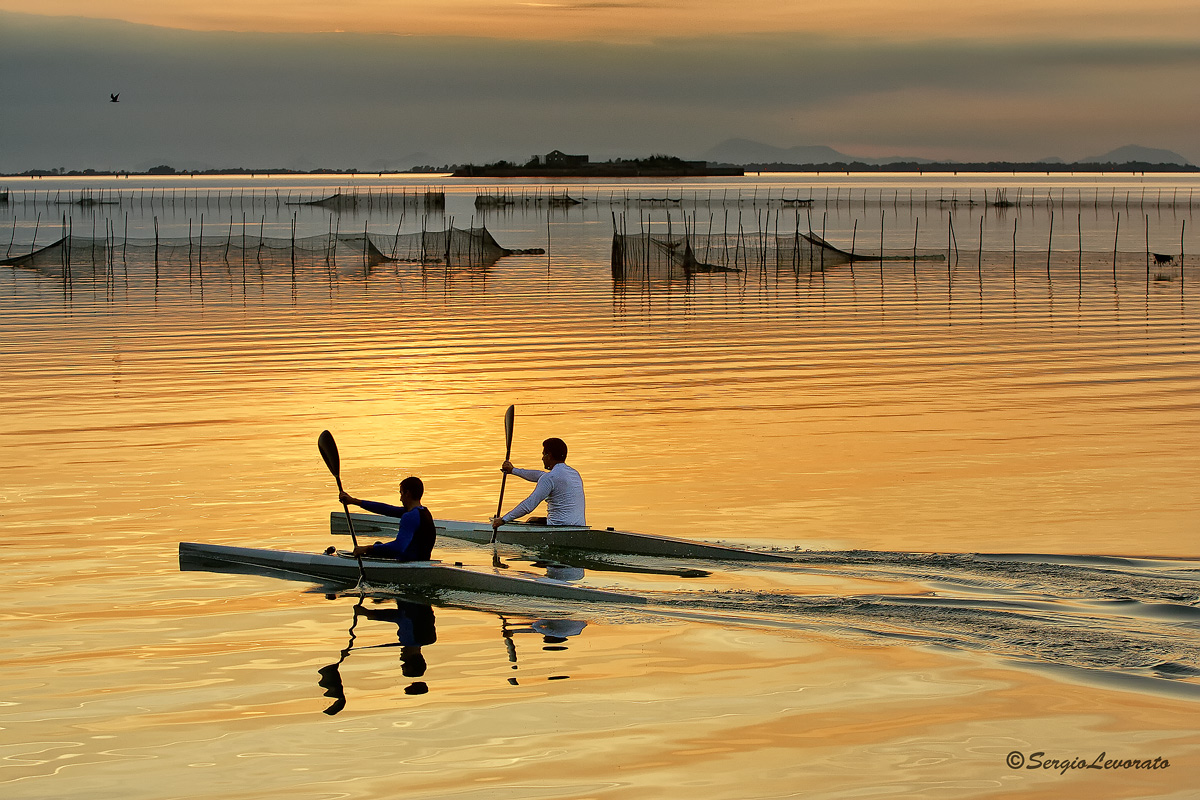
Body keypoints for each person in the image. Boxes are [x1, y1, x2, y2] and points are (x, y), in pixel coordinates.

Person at [491, 437, 585, 529]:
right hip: (580, 526)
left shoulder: (550, 478)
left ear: (550, 455)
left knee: (531, 521)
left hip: (558, 528)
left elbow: (529, 505)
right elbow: (538, 475)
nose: (542, 458)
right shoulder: (574, 474)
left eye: (544, 454)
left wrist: (504, 520)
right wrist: (513, 470)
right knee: (533, 519)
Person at [339, 476, 436, 560]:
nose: (400, 499)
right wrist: (354, 501)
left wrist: (367, 548)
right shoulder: (424, 512)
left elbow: (398, 547)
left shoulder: (409, 516)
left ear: (407, 493)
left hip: (408, 563)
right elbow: (385, 509)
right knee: (378, 545)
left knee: (376, 546)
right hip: (421, 560)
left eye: (401, 493)